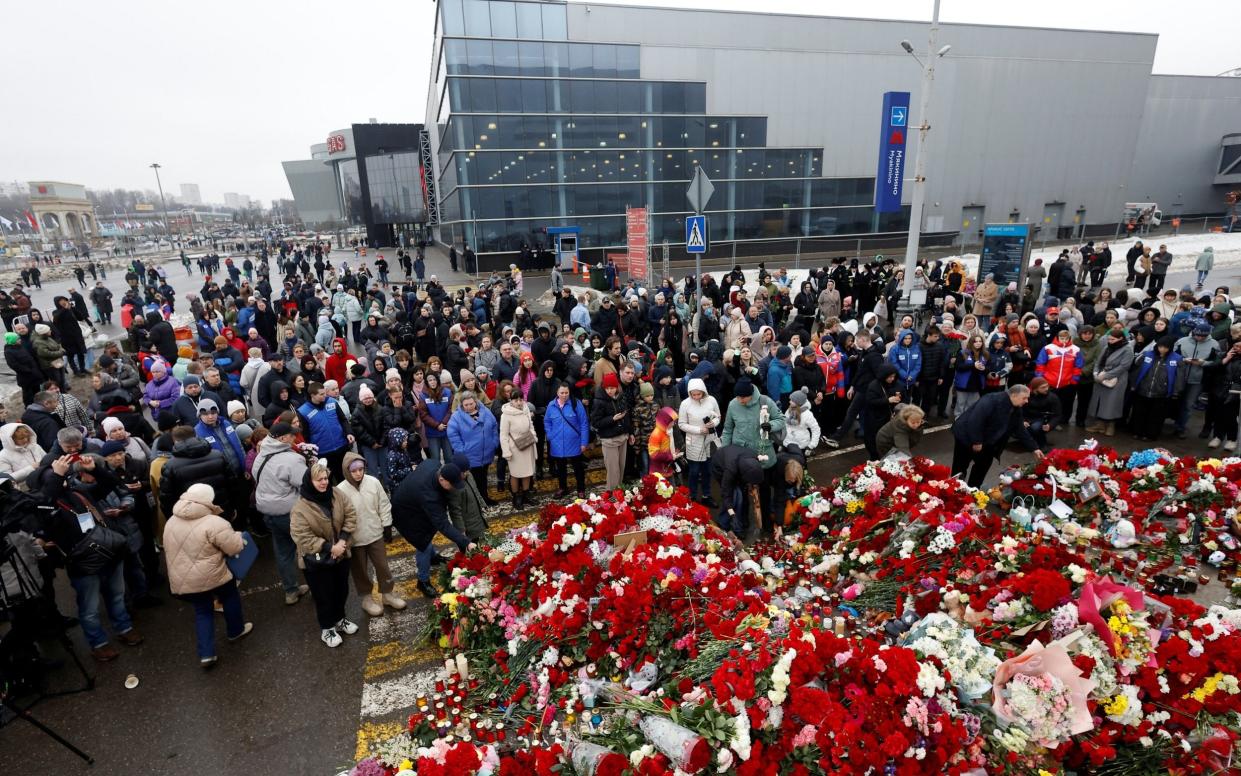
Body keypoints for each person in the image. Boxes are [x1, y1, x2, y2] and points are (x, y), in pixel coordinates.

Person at [163, 483, 252, 668]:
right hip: (214, 574)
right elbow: (234, 547)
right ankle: (236, 630)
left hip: (186, 579)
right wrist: (237, 536)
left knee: (202, 611)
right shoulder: (214, 522)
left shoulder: (170, 522)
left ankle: (206, 654)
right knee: (229, 597)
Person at [289, 463, 358, 649]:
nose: (324, 482)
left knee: (341, 590)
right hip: (318, 561)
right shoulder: (300, 508)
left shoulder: (336, 494)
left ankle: (340, 619)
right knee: (323, 595)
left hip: (341, 553)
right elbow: (301, 536)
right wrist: (329, 547)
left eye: (326, 478)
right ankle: (326, 628)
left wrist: (343, 540)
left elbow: (350, 514)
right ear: (309, 481)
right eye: (319, 479)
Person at [389, 461, 476, 598]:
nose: (453, 488)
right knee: (422, 542)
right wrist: (466, 542)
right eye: (452, 485)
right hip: (405, 515)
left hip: (414, 502)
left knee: (429, 531)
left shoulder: (434, 465)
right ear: (441, 479)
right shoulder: (430, 496)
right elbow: (443, 525)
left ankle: (433, 557)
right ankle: (423, 581)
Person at [335, 453, 403, 618]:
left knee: (382, 566)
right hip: (355, 539)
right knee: (360, 571)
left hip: (375, 534)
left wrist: (386, 524)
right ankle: (366, 599)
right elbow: (338, 516)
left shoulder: (373, 482)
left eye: (361, 469)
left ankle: (387, 594)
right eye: (354, 471)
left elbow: (383, 504)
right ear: (346, 471)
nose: (358, 473)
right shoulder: (340, 490)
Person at [950, 385, 1042, 488]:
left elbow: (1020, 429)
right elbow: (975, 420)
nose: (1027, 401)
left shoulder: (1016, 409)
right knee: (960, 468)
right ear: (1014, 395)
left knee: (981, 468)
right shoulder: (991, 400)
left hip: (988, 442)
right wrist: (977, 441)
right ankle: (954, 490)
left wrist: (1034, 448)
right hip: (966, 437)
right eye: (1024, 398)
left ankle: (973, 492)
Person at [446, 390, 500, 506]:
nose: (469, 407)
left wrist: (494, 442)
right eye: (466, 405)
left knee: (483, 478)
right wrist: (462, 450)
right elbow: (453, 435)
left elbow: (494, 426)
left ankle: (484, 498)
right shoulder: (456, 417)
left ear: (475, 402)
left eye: (471, 404)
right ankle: (475, 502)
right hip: (470, 455)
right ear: (462, 405)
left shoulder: (485, 411)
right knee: (473, 480)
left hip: (486, 453)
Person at [1130, 336, 1185, 442]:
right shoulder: (1147, 355)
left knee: (1156, 416)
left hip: (1162, 393)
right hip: (1143, 389)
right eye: (1160, 347)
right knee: (1139, 412)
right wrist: (1133, 384)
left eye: (1165, 347)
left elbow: (1180, 377)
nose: (1162, 349)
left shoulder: (1177, 359)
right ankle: (1137, 431)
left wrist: (1176, 391)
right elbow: (1136, 369)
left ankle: (1151, 435)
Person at [1173, 323, 1221, 439]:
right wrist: (1183, 360)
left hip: (1198, 379)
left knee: (1189, 404)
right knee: (1174, 401)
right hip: (1179, 376)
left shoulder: (1214, 344)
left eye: (1202, 336)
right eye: (1197, 335)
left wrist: (1203, 363)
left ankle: (1181, 427)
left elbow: (1217, 362)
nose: (1199, 338)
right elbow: (1173, 356)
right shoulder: (1182, 341)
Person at [1085, 326, 1135, 437]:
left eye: (1113, 339)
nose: (1110, 341)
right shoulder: (1107, 347)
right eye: (1109, 339)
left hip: (1116, 380)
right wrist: (1095, 373)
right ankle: (1100, 424)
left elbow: (1124, 366)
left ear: (1121, 338)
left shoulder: (1127, 349)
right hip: (1101, 378)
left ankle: (1111, 426)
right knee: (1099, 402)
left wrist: (1106, 375)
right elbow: (1098, 361)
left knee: (1111, 403)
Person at [297, 382, 354, 479]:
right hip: (323, 452)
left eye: (325, 393)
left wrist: (349, 433)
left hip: (341, 446)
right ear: (312, 395)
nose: (325, 396)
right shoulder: (303, 411)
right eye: (321, 394)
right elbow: (305, 434)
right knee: (328, 479)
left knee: (345, 476)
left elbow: (343, 420)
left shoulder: (332, 402)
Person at [544, 383, 590, 499]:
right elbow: (547, 421)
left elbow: (584, 423)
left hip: (574, 442)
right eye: (562, 393)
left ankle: (581, 489)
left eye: (566, 393)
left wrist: (584, 442)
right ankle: (562, 488)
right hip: (557, 443)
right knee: (561, 468)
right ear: (557, 393)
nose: (564, 395)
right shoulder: (551, 405)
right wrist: (550, 436)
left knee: (578, 468)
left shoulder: (576, 404)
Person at [590, 372, 632, 490]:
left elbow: (626, 416)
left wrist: (630, 432)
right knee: (613, 471)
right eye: (607, 388)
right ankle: (612, 496)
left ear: (616, 387)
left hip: (622, 437)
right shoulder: (598, 401)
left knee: (621, 468)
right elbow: (595, 422)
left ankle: (619, 494)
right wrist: (612, 419)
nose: (609, 391)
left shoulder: (621, 397)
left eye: (612, 388)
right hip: (609, 440)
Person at [1035, 329, 1084, 426]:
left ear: (1070, 338)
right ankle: (1047, 421)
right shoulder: (1048, 348)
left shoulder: (1076, 349)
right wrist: (1040, 378)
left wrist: (1074, 379)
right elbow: (1040, 364)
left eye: (1066, 338)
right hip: (1049, 381)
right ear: (1057, 337)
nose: (1064, 341)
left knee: (1066, 403)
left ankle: (1063, 421)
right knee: (1049, 403)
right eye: (1062, 338)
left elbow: (1078, 366)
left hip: (1067, 383)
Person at [499, 390, 538, 509]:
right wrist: (506, 451)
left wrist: (533, 436)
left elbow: (530, 425)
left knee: (527, 472)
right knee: (515, 474)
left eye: (521, 399)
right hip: (514, 448)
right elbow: (503, 434)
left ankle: (526, 495)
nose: (519, 402)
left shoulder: (526, 409)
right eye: (516, 400)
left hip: (527, 444)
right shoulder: (506, 414)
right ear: (511, 401)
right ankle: (516, 497)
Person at [0, 422, 46, 486]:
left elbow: (47, 459)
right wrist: (31, 468)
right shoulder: (3, 456)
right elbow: (7, 479)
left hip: (45, 481)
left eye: (27, 437)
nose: (26, 440)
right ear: (11, 439)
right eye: (21, 438)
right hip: (25, 490)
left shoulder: (34, 446)